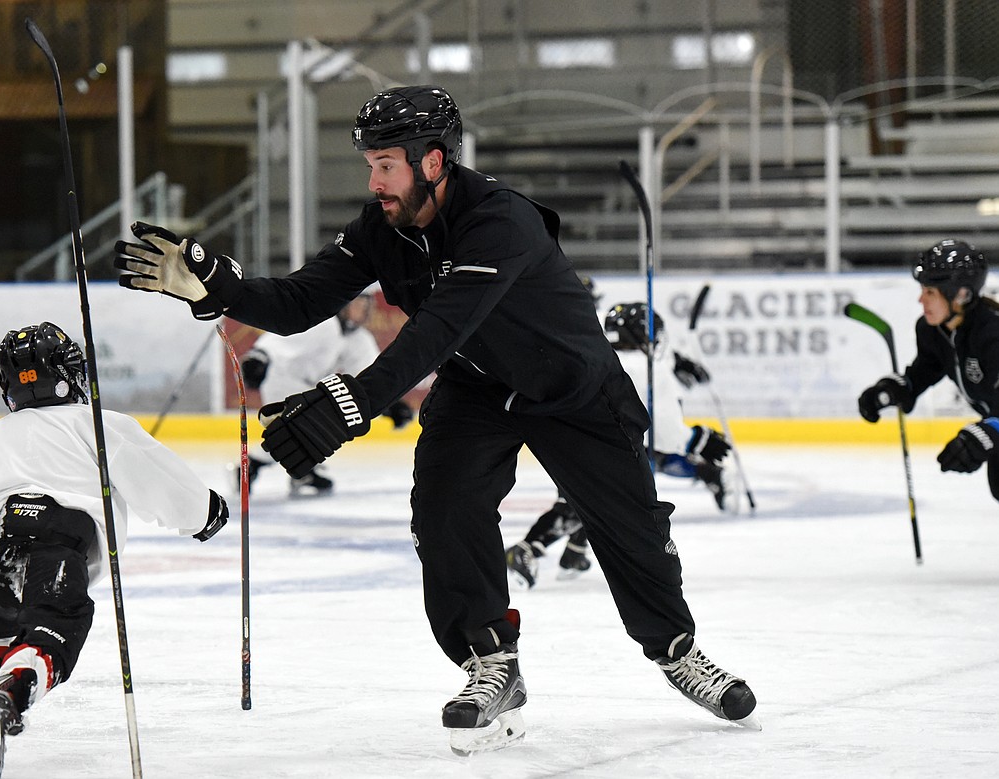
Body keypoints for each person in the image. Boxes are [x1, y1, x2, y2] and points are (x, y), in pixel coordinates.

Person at [114, 84, 758, 753]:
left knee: (631, 528)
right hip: (479, 390)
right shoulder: (380, 229)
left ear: (433, 160)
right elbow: (300, 299)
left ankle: (676, 648)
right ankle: (491, 662)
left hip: (573, 390)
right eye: (370, 164)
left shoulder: (500, 220)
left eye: (385, 164)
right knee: (445, 511)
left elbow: (437, 331)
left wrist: (351, 403)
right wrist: (217, 284)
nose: (374, 180)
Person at [0, 322, 229, 779]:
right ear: (70, 373)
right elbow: (158, 479)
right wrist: (204, 512)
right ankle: (2, 703)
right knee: (54, 631)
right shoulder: (96, 424)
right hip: (57, 554)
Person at [505, 301, 731, 590]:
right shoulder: (651, 370)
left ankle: (573, 553)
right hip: (606, 448)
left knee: (588, 503)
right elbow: (665, 432)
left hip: (565, 439)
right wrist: (698, 440)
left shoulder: (593, 351)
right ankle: (527, 548)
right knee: (604, 505)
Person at [858, 239, 999, 496]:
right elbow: (927, 367)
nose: (920, 299)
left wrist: (991, 430)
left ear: (961, 294)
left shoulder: (992, 334)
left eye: (930, 292)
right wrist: (901, 387)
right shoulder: (933, 331)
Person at [239, 291, 414, 495]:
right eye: (359, 304)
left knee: (312, 429)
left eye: (367, 306)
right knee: (307, 428)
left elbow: (368, 377)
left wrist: (390, 404)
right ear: (344, 305)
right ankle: (258, 466)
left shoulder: (360, 340)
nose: (364, 311)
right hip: (282, 380)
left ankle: (274, 468)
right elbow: (280, 341)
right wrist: (260, 357)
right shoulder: (322, 323)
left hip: (309, 389)